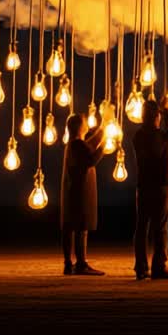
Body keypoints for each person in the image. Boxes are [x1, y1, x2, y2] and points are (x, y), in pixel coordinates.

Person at [132, 97, 168, 280]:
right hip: (161, 185)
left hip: (143, 185)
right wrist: (167, 112)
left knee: (142, 226)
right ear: (156, 117)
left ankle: (141, 267)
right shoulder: (161, 136)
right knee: (160, 227)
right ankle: (159, 267)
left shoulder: (138, 136)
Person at [61, 112, 106, 275]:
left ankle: (68, 263)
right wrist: (104, 146)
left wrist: (104, 126)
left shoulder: (74, 143)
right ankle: (81, 263)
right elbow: (91, 159)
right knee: (81, 227)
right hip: (80, 191)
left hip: (71, 189)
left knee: (70, 226)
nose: (88, 124)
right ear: (80, 126)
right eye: (85, 122)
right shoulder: (77, 144)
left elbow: (91, 143)